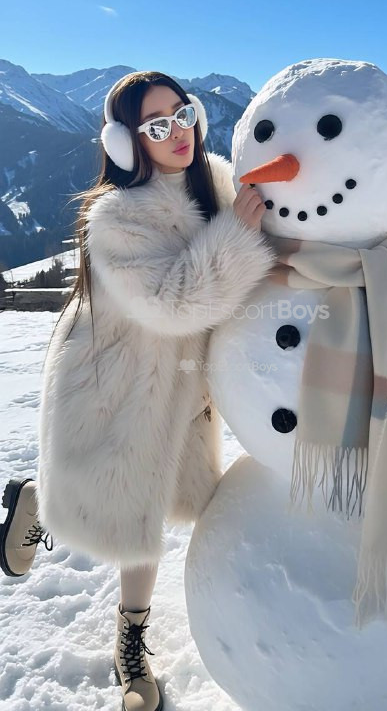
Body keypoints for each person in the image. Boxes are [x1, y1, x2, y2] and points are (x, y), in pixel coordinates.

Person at [0, 71, 277, 711]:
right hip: (112, 382)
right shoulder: (117, 219)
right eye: (156, 125)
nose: (177, 132)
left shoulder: (219, 185)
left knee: (148, 506)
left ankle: (41, 498)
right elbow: (175, 302)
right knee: (134, 516)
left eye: (182, 114)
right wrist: (237, 235)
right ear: (127, 142)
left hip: (179, 383)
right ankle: (130, 641)